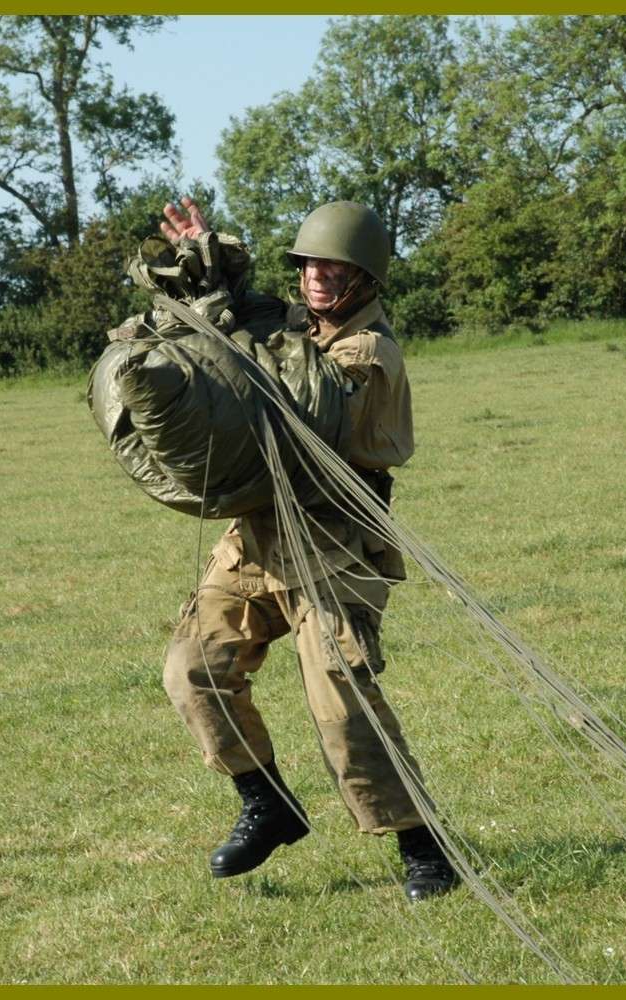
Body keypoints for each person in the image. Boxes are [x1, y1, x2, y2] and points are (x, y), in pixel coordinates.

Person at [155, 196, 458, 902]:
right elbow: (256, 318)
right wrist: (209, 259)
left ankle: (423, 846)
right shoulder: (299, 327)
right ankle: (267, 804)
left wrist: (232, 327)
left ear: (366, 278)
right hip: (255, 539)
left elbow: (301, 406)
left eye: (334, 266)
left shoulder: (366, 353)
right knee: (192, 670)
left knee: (342, 701)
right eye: (309, 263)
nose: (317, 276)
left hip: (331, 544)